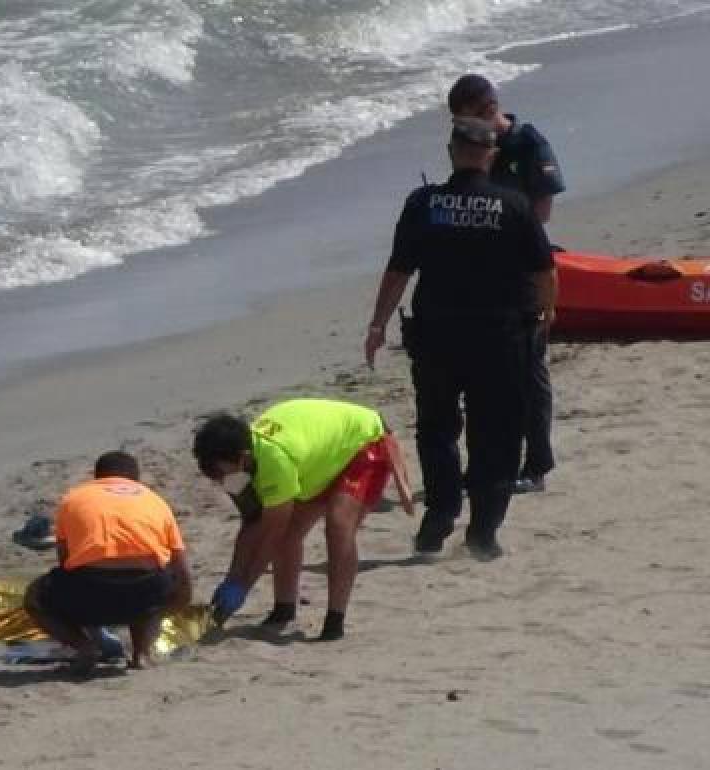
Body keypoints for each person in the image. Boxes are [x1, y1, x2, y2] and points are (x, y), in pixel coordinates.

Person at [365, 117, 557, 560]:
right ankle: (484, 530)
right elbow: (543, 271)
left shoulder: (424, 203)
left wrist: (377, 325)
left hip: (436, 337)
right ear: (490, 156)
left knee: (437, 428)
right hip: (500, 338)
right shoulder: (513, 205)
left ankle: (441, 514)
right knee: (498, 433)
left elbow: (398, 271)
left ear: (451, 151)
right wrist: (547, 315)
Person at [193, 398, 403, 641]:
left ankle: (335, 620)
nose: (219, 480)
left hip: (364, 442)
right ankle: (284, 609)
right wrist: (231, 578)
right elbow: (251, 523)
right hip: (318, 459)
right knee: (291, 532)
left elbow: (272, 536)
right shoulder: (234, 469)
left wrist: (243, 587)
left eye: (220, 473)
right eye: (212, 475)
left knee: (338, 525)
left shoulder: (275, 464)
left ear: (243, 458)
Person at [448, 73, 566, 493]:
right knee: (483, 375)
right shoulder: (474, 147)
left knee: (528, 372)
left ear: (486, 109)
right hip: (480, 274)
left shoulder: (528, 145)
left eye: (468, 120)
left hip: (520, 268)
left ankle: (536, 466)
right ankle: (491, 464)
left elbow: (542, 214)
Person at [23, 451, 192, 672]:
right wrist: (176, 603)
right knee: (152, 581)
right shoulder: (154, 500)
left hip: (90, 591)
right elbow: (181, 569)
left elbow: (65, 562)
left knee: (34, 598)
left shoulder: (74, 497)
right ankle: (141, 653)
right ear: (135, 479)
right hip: (145, 593)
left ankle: (84, 647)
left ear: (98, 477)